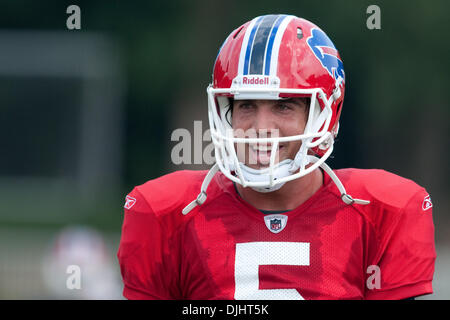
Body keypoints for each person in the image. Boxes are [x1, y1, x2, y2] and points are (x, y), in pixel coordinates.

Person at [117, 14, 436, 300]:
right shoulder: (166, 214)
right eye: (246, 106)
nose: (261, 128)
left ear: (325, 114)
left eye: (283, 106)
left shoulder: (383, 212)